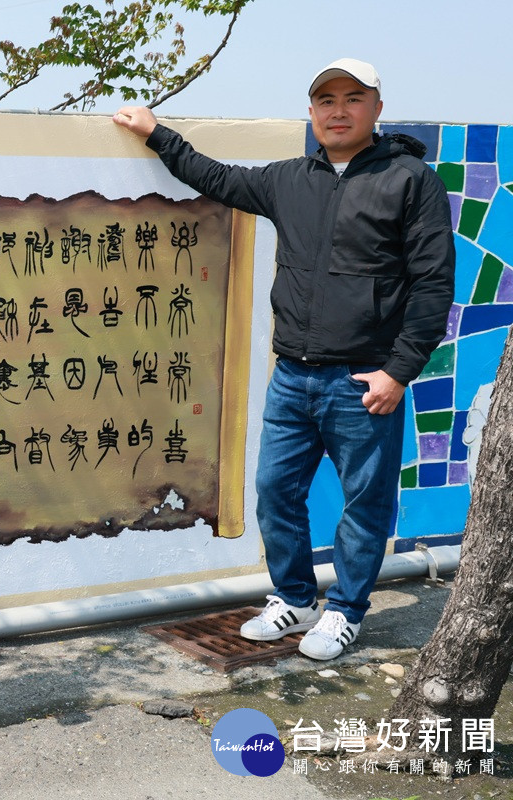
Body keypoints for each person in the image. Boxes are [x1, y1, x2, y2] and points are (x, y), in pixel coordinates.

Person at [113, 58, 454, 660]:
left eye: (353, 98)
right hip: (293, 374)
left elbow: (432, 283)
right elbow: (215, 177)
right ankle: (295, 598)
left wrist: (399, 370)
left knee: (363, 503)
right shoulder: (288, 179)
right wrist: (156, 133)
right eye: (325, 100)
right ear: (312, 111)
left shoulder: (409, 180)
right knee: (274, 490)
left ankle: (346, 610)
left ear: (377, 108)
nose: (338, 110)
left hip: (363, 379)